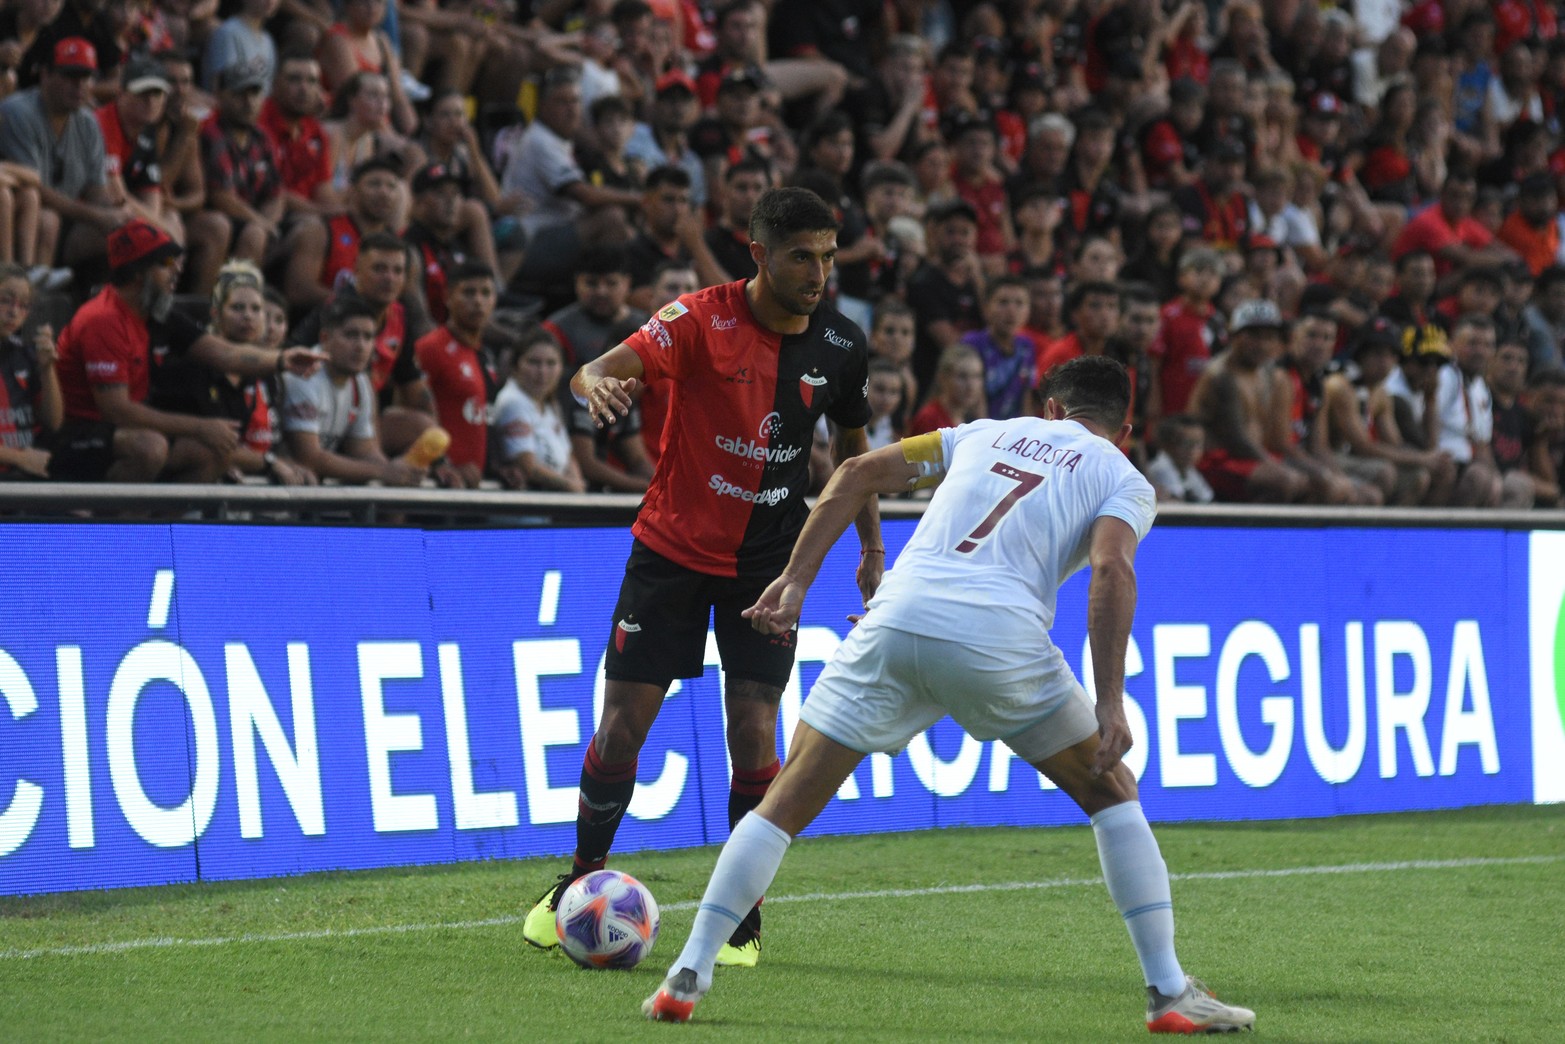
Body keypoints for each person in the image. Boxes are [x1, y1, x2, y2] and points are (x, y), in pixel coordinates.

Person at [640, 355, 1256, 1035]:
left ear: (1050, 408)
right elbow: (1111, 568)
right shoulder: (1123, 476)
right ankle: (1167, 991)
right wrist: (1109, 700)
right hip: (999, 640)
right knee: (1112, 794)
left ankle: (687, 973)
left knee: (781, 803)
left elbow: (854, 471)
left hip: (896, 618)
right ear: (1125, 430)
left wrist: (795, 580)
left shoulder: (981, 432)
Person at [523, 187, 882, 966]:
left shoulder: (841, 345)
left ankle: (741, 917)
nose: (818, 273)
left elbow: (856, 459)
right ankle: (579, 881)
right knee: (622, 728)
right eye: (800, 257)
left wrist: (871, 550)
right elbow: (595, 368)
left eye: (827, 256)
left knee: (753, 729)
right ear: (758, 254)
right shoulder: (695, 319)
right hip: (671, 554)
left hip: (768, 566)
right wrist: (597, 384)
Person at [51, 219, 324, 482]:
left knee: (214, 451)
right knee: (149, 447)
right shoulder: (103, 319)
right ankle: (110, 515)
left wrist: (282, 359)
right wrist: (200, 427)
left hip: (119, 431)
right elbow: (117, 411)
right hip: (76, 432)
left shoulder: (154, 310)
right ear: (137, 273)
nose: (177, 269)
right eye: (166, 263)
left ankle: (167, 515)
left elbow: (223, 353)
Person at [279, 294, 425, 486]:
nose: (361, 346)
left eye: (368, 337)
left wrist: (400, 471)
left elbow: (364, 450)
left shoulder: (360, 382)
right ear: (325, 338)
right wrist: (382, 471)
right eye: (351, 335)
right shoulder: (305, 374)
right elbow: (309, 457)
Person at [1188, 300, 1311, 503]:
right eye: (1253, 336)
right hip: (1216, 460)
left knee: (1315, 481)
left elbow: (1274, 436)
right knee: (1286, 480)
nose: (1261, 345)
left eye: (1268, 337)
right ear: (1233, 336)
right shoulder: (1222, 375)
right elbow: (1235, 439)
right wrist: (1276, 465)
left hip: (1247, 458)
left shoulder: (1267, 374)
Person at [414, 260, 500, 488]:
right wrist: (442, 463)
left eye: (486, 293)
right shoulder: (431, 348)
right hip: (440, 483)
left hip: (478, 484)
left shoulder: (486, 354)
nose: (478, 301)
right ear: (448, 297)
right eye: (469, 293)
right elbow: (412, 413)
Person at [492, 327, 584, 492]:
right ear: (516, 366)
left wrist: (576, 482)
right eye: (534, 362)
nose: (542, 372)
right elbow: (526, 466)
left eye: (551, 363)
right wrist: (571, 486)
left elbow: (569, 457)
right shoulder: (513, 402)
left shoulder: (549, 405)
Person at [0, 261, 59, 478]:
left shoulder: (24, 355)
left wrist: (47, 369)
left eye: (24, 305)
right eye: (5, 301)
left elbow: (53, 422)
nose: (14, 312)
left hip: (24, 473)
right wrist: (20, 458)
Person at [961, 275, 1036, 420]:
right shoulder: (972, 344)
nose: (1011, 311)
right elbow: (975, 404)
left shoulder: (1027, 347)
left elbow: (1026, 400)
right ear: (986, 308)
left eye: (1019, 303)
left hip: (1013, 429)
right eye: (1003, 302)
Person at [1145, 413, 1213, 502]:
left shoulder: (1190, 471)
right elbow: (1177, 501)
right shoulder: (1160, 468)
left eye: (1198, 445)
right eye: (1186, 444)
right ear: (1166, 445)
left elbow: (1206, 499)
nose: (1193, 451)